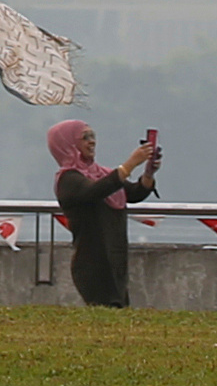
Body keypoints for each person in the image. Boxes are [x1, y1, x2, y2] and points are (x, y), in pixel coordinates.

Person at [48, 118, 160, 310]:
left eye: (93, 136)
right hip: (92, 262)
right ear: (68, 144)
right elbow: (98, 190)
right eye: (84, 138)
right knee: (105, 311)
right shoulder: (68, 179)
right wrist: (130, 164)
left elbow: (133, 193)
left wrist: (148, 173)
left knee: (119, 309)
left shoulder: (100, 173)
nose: (92, 141)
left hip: (115, 259)